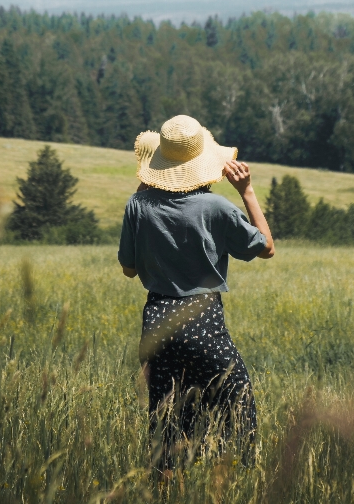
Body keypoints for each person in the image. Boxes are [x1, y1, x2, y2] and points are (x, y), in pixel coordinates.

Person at [118, 115, 274, 472]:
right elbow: (266, 248)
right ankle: (232, 483)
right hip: (202, 320)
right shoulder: (216, 208)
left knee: (167, 424)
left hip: (156, 322)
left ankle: (164, 492)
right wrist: (247, 191)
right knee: (237, 407)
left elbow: (129, 269)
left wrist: (147, 190)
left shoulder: (137, 206)